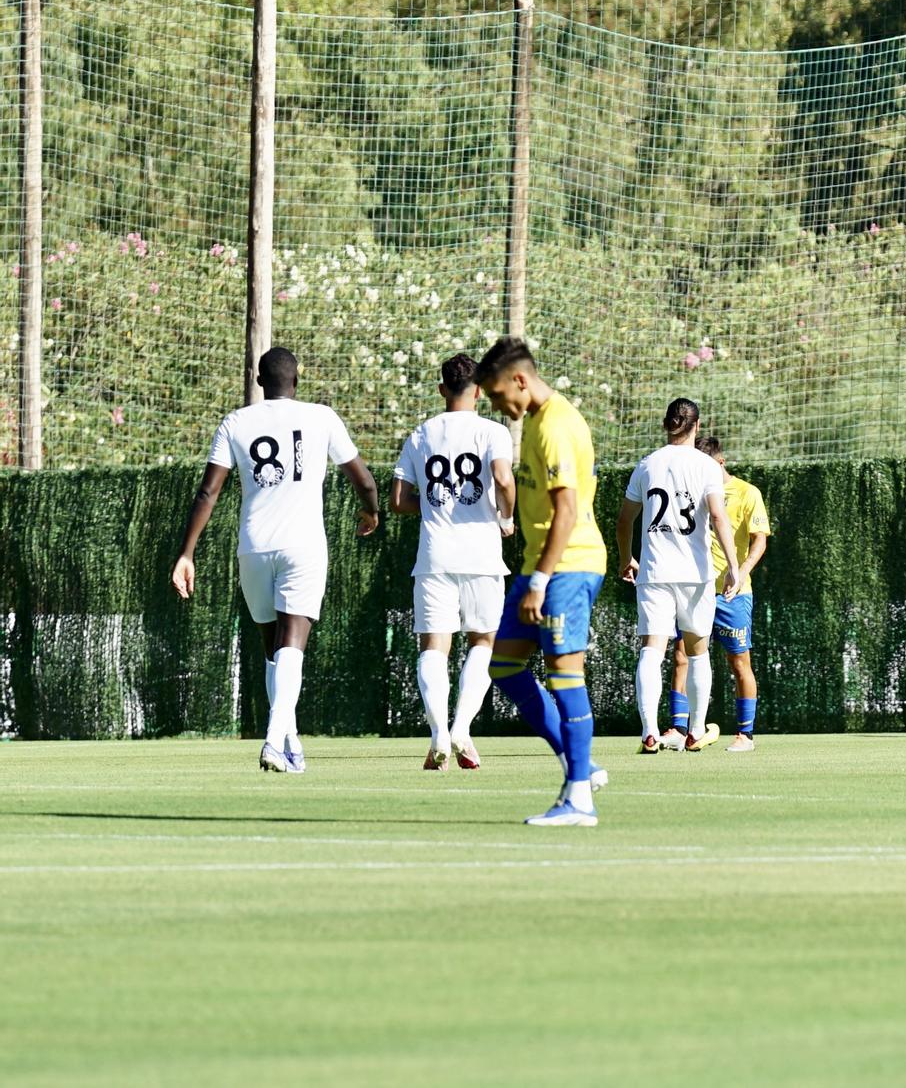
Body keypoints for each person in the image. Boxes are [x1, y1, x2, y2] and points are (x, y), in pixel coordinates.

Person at [169, 346, 378, 773]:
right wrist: (371, 509)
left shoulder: (236, 421)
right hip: (303, 546)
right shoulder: (321, 417)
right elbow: (362, 478)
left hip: (254, 547)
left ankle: (290, 742)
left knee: (274, 650)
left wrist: (187, 552)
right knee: (292, 646)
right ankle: (272, 740)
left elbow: (208, 492)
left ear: (258, 381)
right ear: (297, 381)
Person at [478, 336, 609, 825]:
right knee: (505, 665)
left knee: (564, 673)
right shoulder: (533, 419)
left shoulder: (555, 425)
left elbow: (568, 508)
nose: (497, 406)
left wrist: (540, 581)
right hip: (541, 566)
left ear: (520, 379)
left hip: (567, 566)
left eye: (496, 395)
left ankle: (579, 799)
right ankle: (578, 764)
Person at [388, 353, 516, 770]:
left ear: (442, 389)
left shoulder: (421, 434)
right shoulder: (492, 431)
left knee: (433, 648)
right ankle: (461, 728)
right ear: (479, 390)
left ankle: (439, 734)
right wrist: (506, 516)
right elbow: (502, 479)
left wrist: (429, 504)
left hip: (435, 555)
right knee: (483, 642)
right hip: (481, 554)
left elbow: (396, 500)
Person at [619, 398, 742, 756]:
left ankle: (649, 733)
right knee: (698, 651)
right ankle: (695, 730)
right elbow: (719, 517)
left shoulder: (647, 465)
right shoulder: (707, 466)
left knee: (652, 649)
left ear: (665, 424)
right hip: (695, 574)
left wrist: (628, 557)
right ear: (697, 426)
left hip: (655, 571)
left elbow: (625, 519)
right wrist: (733, 566)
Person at [695, 434, 769, 752]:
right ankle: (679, 729)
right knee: (684, 656)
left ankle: (745, 735)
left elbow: (760, 540)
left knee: (739, 662)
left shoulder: (747, 492)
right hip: (695, 591)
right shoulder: (693, 492)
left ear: (720, 462)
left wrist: (739, 573)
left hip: (732, 595)